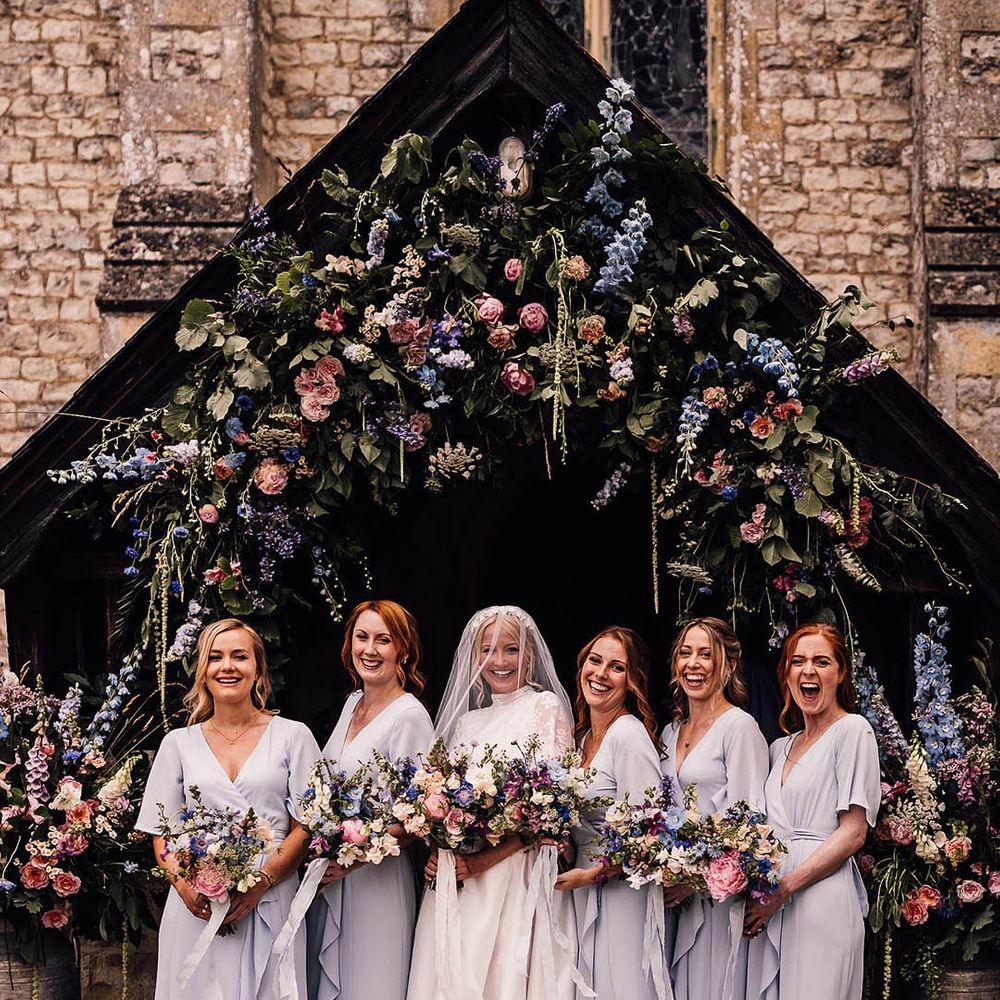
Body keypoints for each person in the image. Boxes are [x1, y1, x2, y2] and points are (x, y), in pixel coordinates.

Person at [136, 618, 320, 1000]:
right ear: (203, 671)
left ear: (258, 668)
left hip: (270, 896)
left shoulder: (294, 736)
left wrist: (262, 881)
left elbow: (307, 825)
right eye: (215, 657)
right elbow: (162, 832)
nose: (227, 666)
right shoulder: (178, 743)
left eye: (239, 656)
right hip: (199, 903)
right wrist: (185, 887)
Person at [406, 605, 578, 1000]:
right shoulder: (468, 722)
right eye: (488, 650)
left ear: (529, 654)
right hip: (460, 877)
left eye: (511, 649)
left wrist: (484, 861)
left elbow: (550, 810)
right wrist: (436, 850)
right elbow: (441, 799)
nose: (499, 661)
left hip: (513, 873)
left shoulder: (545, 707)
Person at [743, 623, 880, 1000]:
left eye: (821, 662)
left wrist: (785, 888)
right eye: (798, 661)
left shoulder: (853, 731)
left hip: (822, 898)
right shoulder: (778, 749)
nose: (808, 671)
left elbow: (853, 832)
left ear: (841, 672)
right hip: (773, 901)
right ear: (786, 674)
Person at [306, 600, 434, 1000]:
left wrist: (357, 857)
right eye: (362, 637)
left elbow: (419, 815)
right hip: (333, 876)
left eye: (383, 640)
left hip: (377, 879)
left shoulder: (409, 715)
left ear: (403, 650)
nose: (370, 649)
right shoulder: (352, 704)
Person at [554, 626, 668, 1000]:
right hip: (581, 885)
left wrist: (593, 874)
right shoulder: (581, 740)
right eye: (595, 661)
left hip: (622, 892)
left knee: (622, 985)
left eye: (616, 667)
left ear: (631, 680)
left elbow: (649, 834)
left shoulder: (628, 735)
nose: (601, 674)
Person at [660, 618, 768, 1000]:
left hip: (718, 897)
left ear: (728, 665)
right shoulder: (670, 732)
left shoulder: (739, 727)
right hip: (673, 896)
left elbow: (749, 820)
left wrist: (694, 878)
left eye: (706, 654)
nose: (693, 663)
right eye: (685, 653)